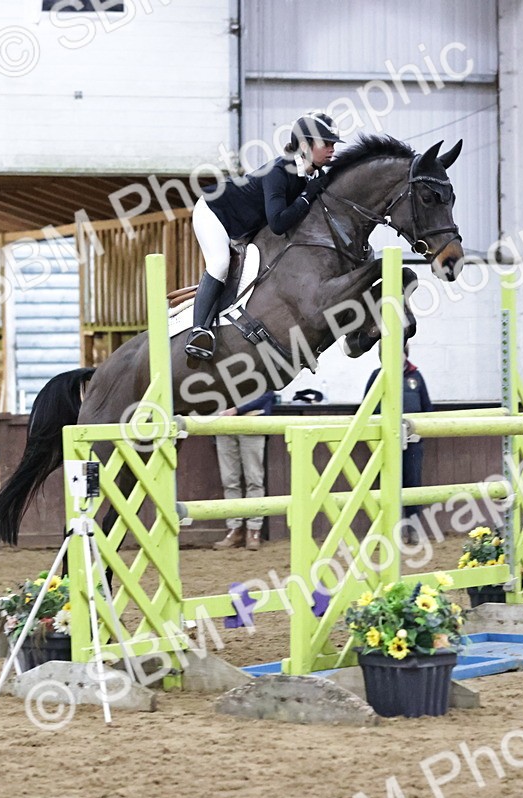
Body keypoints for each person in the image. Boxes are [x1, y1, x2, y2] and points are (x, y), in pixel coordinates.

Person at [185, 111, 342, 361]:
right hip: (215, 213)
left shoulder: (312, 175)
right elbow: (278, 223)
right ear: (305, 145)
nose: (332, 150)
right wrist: (306, 196)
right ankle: (199, 331)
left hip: (245, 227)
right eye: (327, 144)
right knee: (220, 263)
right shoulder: (279, 171)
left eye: (334, 144)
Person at [364, 344, 433, 545]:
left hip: (412, 442)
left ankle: (412, 530)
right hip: (384, 442)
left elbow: (427, 407)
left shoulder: (416, 377)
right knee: (385, 485)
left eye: (398, 351)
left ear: (405, 354)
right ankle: (383, 533)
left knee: (412, 483)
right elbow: (366, 407)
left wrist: (421, 431)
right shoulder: (376, 377)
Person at [212, 391, 276, 551]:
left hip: (251, 421)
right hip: (224, 422)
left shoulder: (263, 367)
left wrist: (235, 409)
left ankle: (252, 529)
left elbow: (267, 394)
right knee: (229, 480)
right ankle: (236, 529)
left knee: (253, 479)